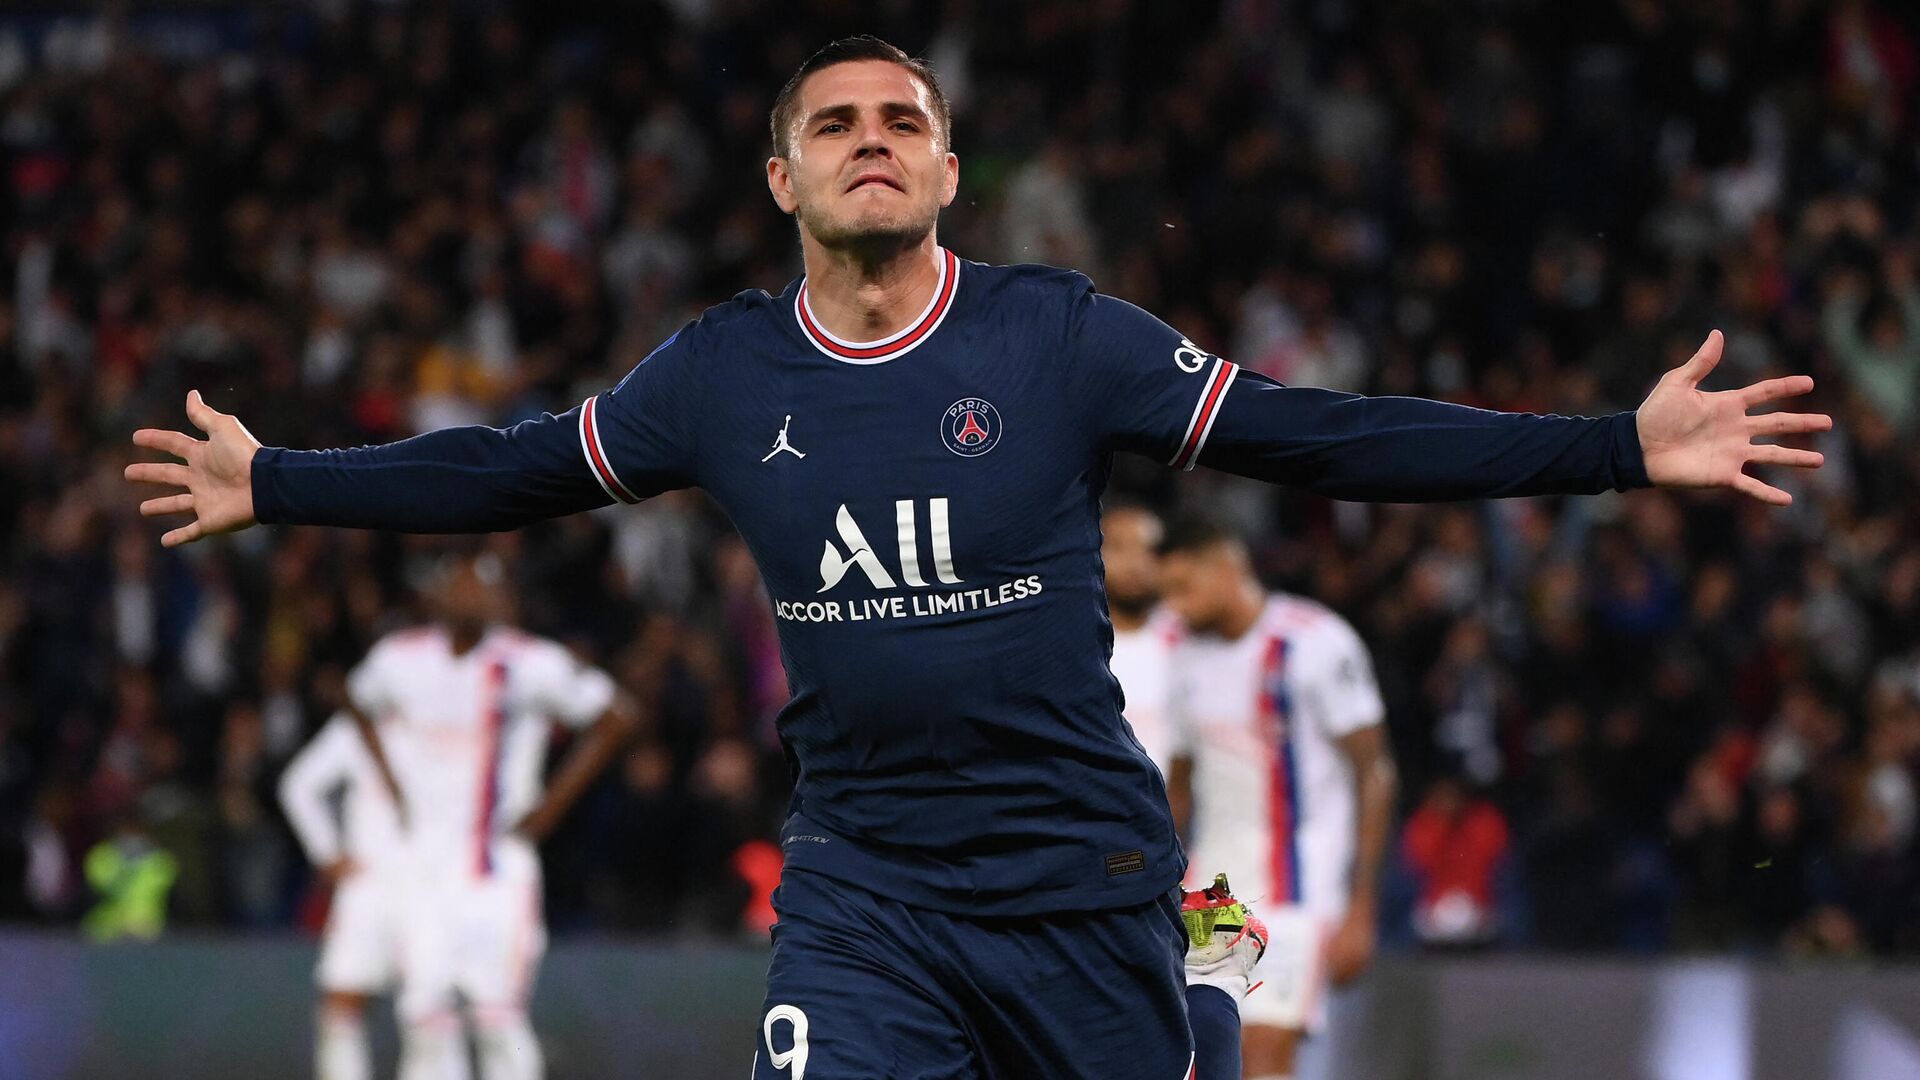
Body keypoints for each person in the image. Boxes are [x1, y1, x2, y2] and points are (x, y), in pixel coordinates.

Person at [126, 35, 1827, 1080]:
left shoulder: (1061, 342)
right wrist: (279, 480)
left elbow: (1329, 434)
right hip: (863, 894)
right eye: (837, 119)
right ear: (781, 171)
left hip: (1092, 889)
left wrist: (1617, 445)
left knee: (1230, 1000)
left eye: (905, 118)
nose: (873, 136)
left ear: (948, 166)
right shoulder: (717, 375)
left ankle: (1221, 1028)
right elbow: (504, 474)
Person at [335, 550, 638, 1080]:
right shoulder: (400, 657)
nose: (478, 595)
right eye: (466, 582)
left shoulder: (527, 662)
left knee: (496, 1016)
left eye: (488, 586)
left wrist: (549, 808)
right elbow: (355, 699)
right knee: (425, 1015)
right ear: (438, 591)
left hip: (496, 867)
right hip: (423, 866)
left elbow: (615, 716)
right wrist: (391, 784)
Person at [1158, 519, 1397, 1080]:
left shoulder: (1313, 642)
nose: (1176, 604)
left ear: (1226, 569)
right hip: (1211, 891)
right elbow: (1181, 784)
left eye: (1185, 588)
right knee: (1205, 1055)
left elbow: (1375, 769)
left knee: (1263, 1053)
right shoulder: (1183, 653)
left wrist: (1362, 903)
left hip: (1297, 893)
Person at [278, 711, 408, 1080]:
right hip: (373, 884)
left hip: (434, 883)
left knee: (432, 1011)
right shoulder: (365, 722)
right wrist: (328, 853)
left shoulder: (463, 709)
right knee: (343, 1002)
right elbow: (298, 785)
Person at [1101, 503, 1184, 778]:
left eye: (1147, 549)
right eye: (1119, 547)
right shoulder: (1074, 646)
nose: (1135, 564)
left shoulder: (1187, 640)